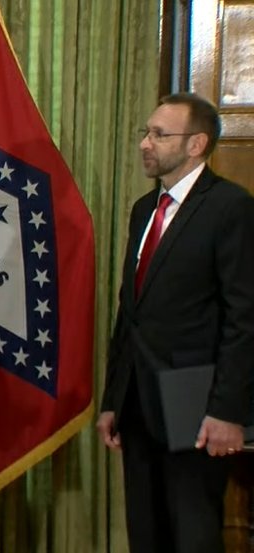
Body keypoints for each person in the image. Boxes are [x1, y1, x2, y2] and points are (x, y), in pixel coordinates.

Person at [96, 92, 254, 552]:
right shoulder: (145, 210)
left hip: (197, 404)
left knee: (193, 534)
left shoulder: (230, 208)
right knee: (147, 532)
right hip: (139, 402)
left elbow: (244, 318)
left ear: (196, 144)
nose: (146, 143)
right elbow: (131, 312)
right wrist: (113, 399)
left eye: (159, 134)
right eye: (145, 132)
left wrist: (227, 412)